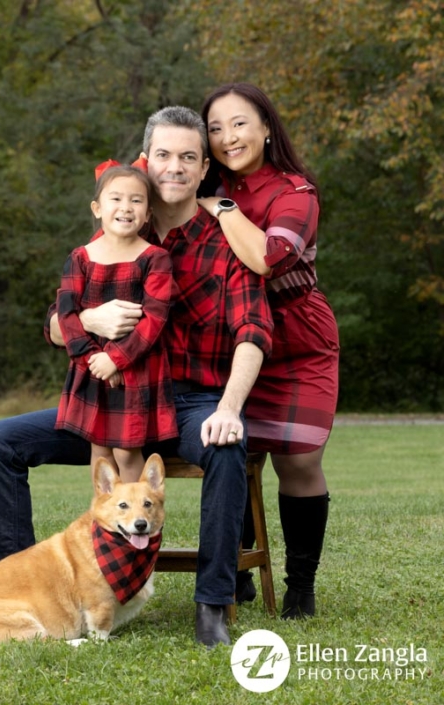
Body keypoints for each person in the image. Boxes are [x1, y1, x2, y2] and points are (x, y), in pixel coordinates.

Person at [0, 105, 274, 647]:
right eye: (163, 154)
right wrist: (88, 320)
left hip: (189, 403)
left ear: (204, 168)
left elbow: (254, 331)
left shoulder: (224, 240)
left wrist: (229, 408)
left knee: (227, 446)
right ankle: (7, 583)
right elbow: (55, 321)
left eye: (188, 157)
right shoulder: (118, 221)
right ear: (147, 159)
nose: (174, 167)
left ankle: (212, 606)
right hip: (116, 399)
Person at [197, 82, 340, 619]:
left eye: (239, 123)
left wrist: (221, 206)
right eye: (215, 127)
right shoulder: (202, 179)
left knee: (298, 462)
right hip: (229, 336)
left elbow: (269, 256)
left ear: (265, 127)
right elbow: (144, 180)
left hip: (298, 339)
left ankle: (300, 585)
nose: (228, 136)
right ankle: (238, 571)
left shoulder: (295, 190)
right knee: (233, 446)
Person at [55, 161, 177, 482]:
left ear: (148, 213)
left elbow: (155, 319)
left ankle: (139, 523)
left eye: (136, 200)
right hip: (92, 370)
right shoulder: (81, 258)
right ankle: (105, 526)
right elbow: (66, 316)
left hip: (135, 370)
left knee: (126, 450)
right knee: (100, 451)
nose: (126, 207)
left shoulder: (154, 258)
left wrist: (116, 359)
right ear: (97, 208)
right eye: (116, 199)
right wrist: (93, 361)